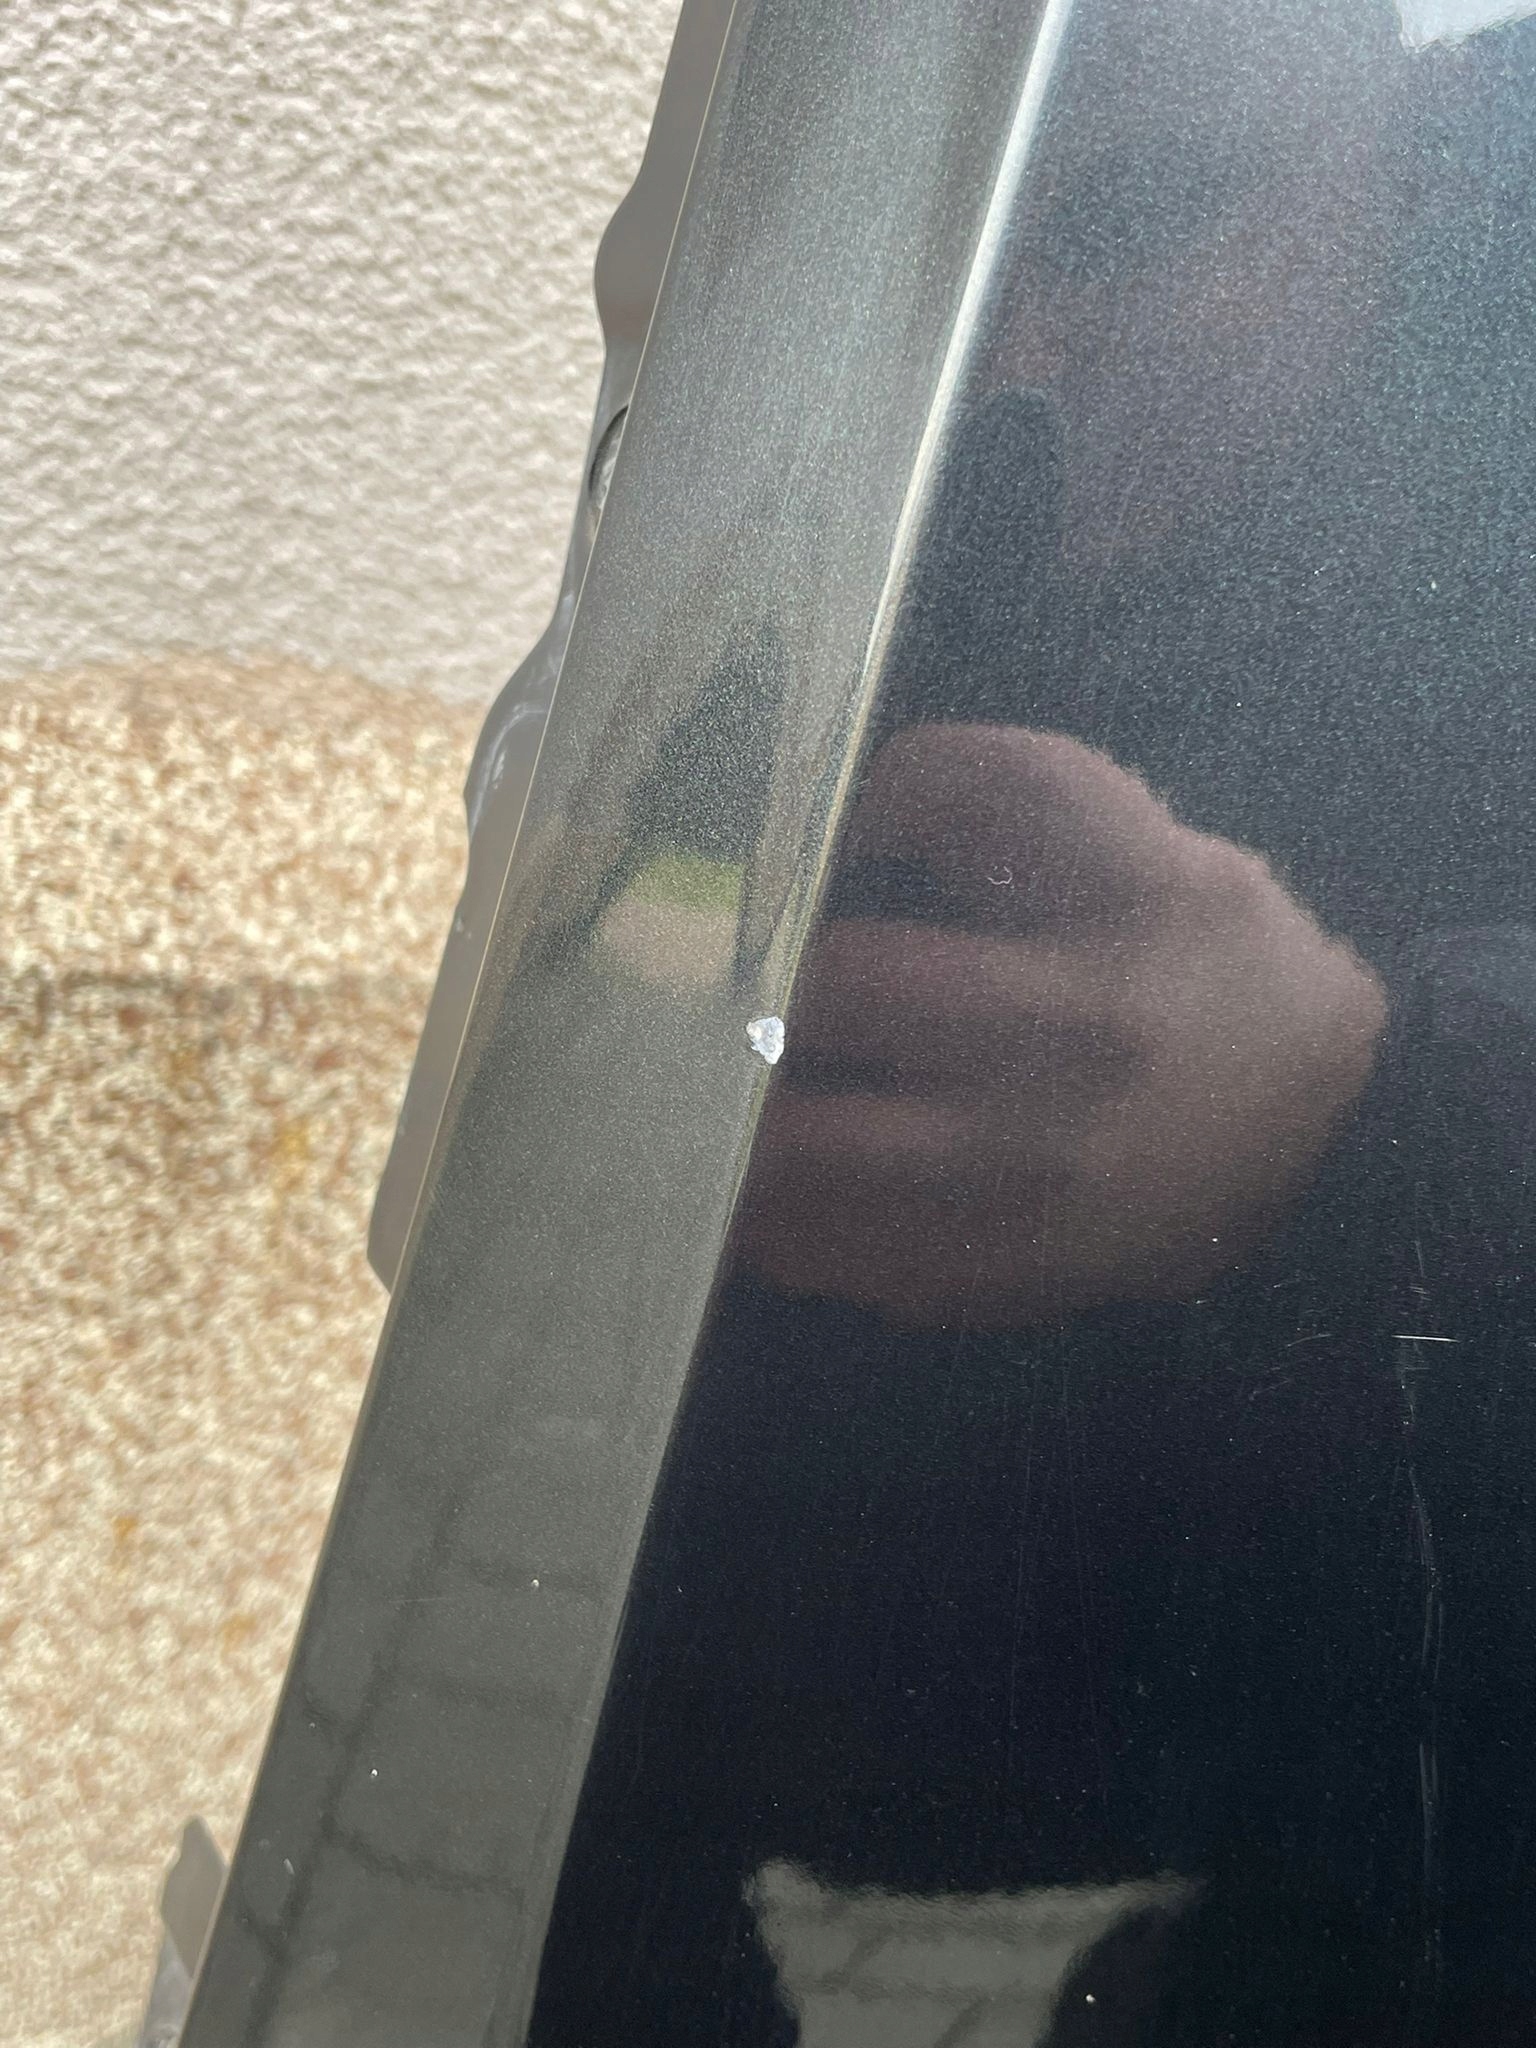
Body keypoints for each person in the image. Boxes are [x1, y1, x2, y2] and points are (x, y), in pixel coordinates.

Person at [530, 2, 1536, 2039]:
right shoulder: (877, 320)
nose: (1010, 349)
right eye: (935, 241)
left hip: (1358, 1643)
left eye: (1133, 222)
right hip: (738, 1602)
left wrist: (1373, 1107)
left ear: (1391, 149)